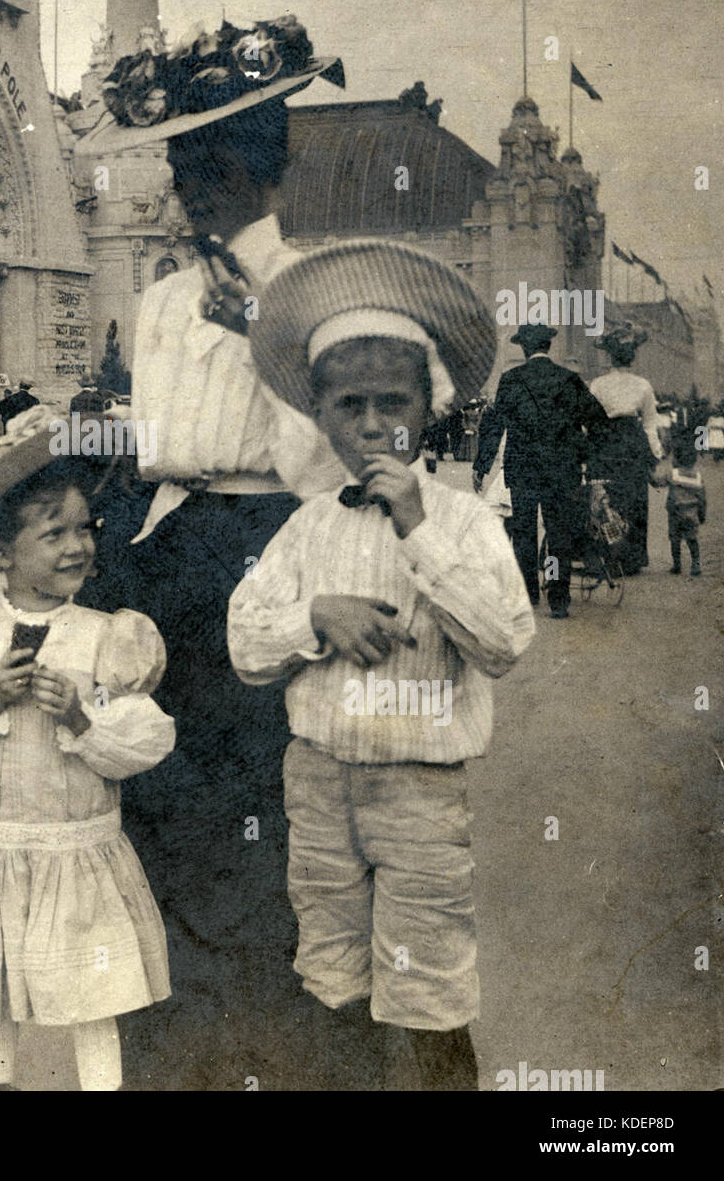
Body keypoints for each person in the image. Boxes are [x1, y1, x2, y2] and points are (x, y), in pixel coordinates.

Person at [75, 13, 346, 1089]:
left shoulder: (311, 288)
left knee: (259, 800)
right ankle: (175, 1039)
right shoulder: (155, 297)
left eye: (220, 164)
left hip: (267, 542)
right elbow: (147, 446)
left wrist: (262, 340)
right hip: (165, 543)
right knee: (154, 788)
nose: (198, 188)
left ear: (265, 166)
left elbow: (323, 467)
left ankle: (272, 1033)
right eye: (185, 164)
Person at [232, 239, 535, 1090]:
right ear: (321, 413)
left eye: (391, 405)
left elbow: (501, 643)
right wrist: (314, 620)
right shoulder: (304, 528)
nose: (370, 426)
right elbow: (247, 645)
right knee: (331, 965)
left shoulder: (463, 520)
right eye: (348, 405)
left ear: (428, 409)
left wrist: (416, 531)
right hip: (318, 779)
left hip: (418, 789)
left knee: (428, 976)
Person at [0, 407, 175, 1091]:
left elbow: (143, 741)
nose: (76, 547)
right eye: (53, 533)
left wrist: (82, 718)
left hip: (76, 848)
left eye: (85, 529)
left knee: (94, 995)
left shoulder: (108, 637)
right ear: (0, 554)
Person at [473, 324, 609, 618]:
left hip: (522, 469)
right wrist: (582, 452)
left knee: (523, 531)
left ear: (524, 349)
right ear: (548, 346)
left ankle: (528, 593)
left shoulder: (510, 380)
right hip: (562, 470)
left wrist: (481, 466)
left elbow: (494, 426)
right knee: (559, 533)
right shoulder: (569, 380)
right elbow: (599, 421)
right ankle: (559, 599)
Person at [589, 325, 662, 574]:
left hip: (605, 444)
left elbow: (588, 421)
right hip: (632, 445)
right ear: (631, 356)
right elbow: (651, 424)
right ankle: (632, 558)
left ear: (609, 355)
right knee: (635, 500)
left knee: (606, 498)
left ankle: (608, 553)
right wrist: (655, 455)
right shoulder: (643, 385)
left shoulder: (597, 384)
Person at [662, 435, 706, 575]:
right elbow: (702, 499)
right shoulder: (698, 478)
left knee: (675, 540)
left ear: (676, 459)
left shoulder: (673, 474)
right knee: (692, 539)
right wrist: (702, 515)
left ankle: (677, 565)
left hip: (675, 513)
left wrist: (649, 474)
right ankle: (696, 564)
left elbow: (659, 482)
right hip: (692, 514)